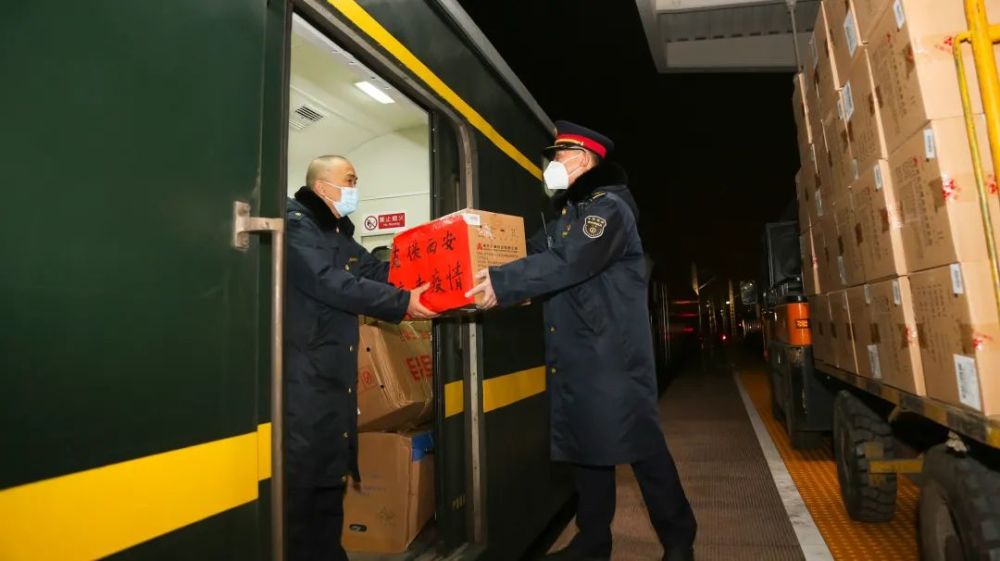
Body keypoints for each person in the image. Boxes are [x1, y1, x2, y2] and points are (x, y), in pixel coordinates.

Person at [466, 122, 697, 561]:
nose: (551, 165)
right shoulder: (568, 217)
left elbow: (568, 263)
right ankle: (593, 541)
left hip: (612, 358)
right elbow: (528, 252)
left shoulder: (606, 210)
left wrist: (503, 282)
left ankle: (679, 540)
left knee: (643, 450)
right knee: (588, 448)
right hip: (579, 354)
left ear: (584, 159)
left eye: (558, 155)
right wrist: (472, 246)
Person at [284, 155, 437, 561]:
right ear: (322, 187)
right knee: (303, 482)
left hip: (332, 376)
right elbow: (329, 281)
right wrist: (404, 302)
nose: (355, 186)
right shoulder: (296, 225)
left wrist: (432, 276)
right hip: (303, 375)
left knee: (330, 476)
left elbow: (373, 270)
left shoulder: (335, 232)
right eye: (349, 179)